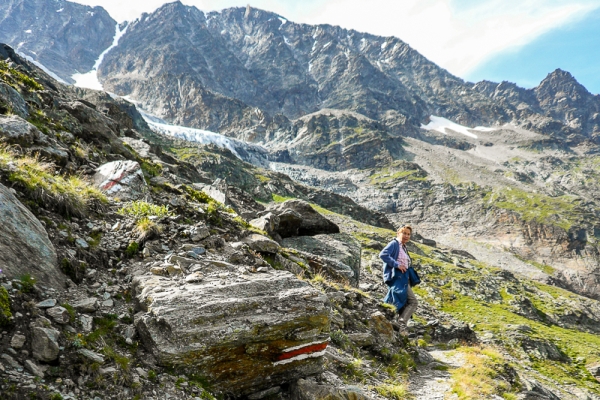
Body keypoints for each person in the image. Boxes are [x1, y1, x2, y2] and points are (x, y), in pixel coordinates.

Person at [379, 225, 419, 331]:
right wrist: (396, 264)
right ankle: (401, 323)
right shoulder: (394, 244)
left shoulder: (403, 246)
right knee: (413, 301)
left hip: (404, 276)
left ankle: (394, 325)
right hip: (397, 276)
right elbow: (383, 254)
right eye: (404, 233)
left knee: (401, 299)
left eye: (408, 234)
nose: (406, 236)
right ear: (398, 233)